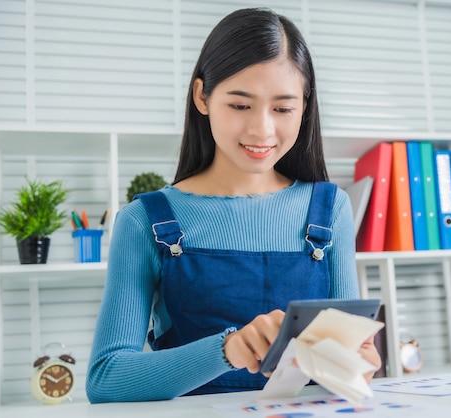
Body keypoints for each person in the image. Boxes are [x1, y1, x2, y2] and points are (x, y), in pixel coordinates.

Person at [86, 7, 381, 403]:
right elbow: (107, 377)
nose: (262, 129)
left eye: (283, 108)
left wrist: (356, 362)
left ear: (305, 106)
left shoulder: (331, 210)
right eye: (240, 105)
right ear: (201, 96)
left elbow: (340, 372)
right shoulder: (144, 221)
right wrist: (228, 350)